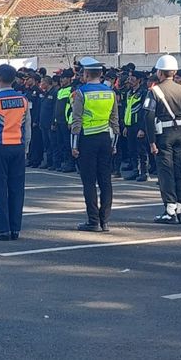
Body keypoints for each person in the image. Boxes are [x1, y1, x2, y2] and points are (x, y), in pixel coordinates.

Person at [0, 64, 31, 240]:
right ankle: (15, 228)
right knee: (17, 189)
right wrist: (25, 149)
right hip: (17, 146)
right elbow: (27, 126)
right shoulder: (23, 99)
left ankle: (3, 229)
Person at [70, 57, 119, 232]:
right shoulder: (110, 93)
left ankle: (93, 220)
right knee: (105, 181)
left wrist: (74, 146)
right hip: (106, 139)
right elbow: (115, 121)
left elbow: (76, 122)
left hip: (87, 139)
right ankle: (105, 220)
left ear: (87, 73)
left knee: (89, 182)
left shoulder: (81, 93)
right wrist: (114, 143)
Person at [145, 54, 181, 224]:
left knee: (166, 172)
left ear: (160, 72)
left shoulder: (155, 91)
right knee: (180, 171)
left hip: (164, 135)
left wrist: (151, 141)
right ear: (173, 72)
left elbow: (149, 117)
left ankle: (169, 210)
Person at [123, 71, 149, 182]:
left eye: (133, 78)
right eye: (129, 78)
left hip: (138, 126)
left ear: (139, 80)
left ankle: (144, 172)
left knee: (141, 151)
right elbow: (126, 110)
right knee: (132, 150)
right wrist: (125, 126)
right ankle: (135, 170)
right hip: (129, 125)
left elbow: (145, 112)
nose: (130, 80)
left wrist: (142, 128)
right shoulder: (129, 93)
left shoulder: (144, 93)